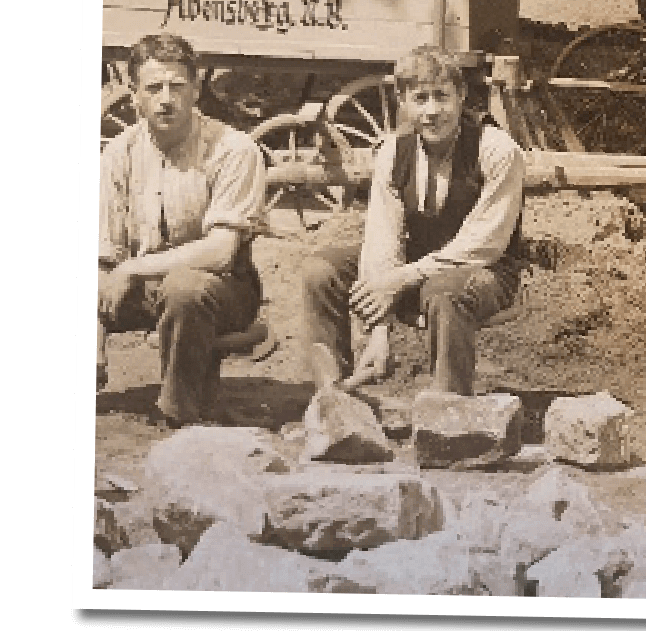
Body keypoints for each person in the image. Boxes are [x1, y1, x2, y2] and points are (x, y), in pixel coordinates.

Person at [301, 46, 528, 396]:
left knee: (445, 290)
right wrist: (379, 330)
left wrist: (398, 279)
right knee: (321, 271)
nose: (432, 111)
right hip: (412, 265)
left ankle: (448, 407)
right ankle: (333, 396)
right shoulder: (393, 152)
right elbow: (383, 236)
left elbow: (483, 245)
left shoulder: (496, 149)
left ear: (462, 97)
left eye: (443, 97)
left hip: (486, 270)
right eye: (420, 99)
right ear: (402, 101)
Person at [97, 34, 268, 426]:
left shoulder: (234, 150)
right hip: (142, 285)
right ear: (134, 96)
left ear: (195, 90)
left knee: (184, 289)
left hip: (223, 288)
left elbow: (221, 251)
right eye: (153, 87)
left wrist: (131, 269)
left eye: (177, 86)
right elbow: (104, 250)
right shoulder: (117, 153)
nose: (165, 98)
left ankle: (180, 413)